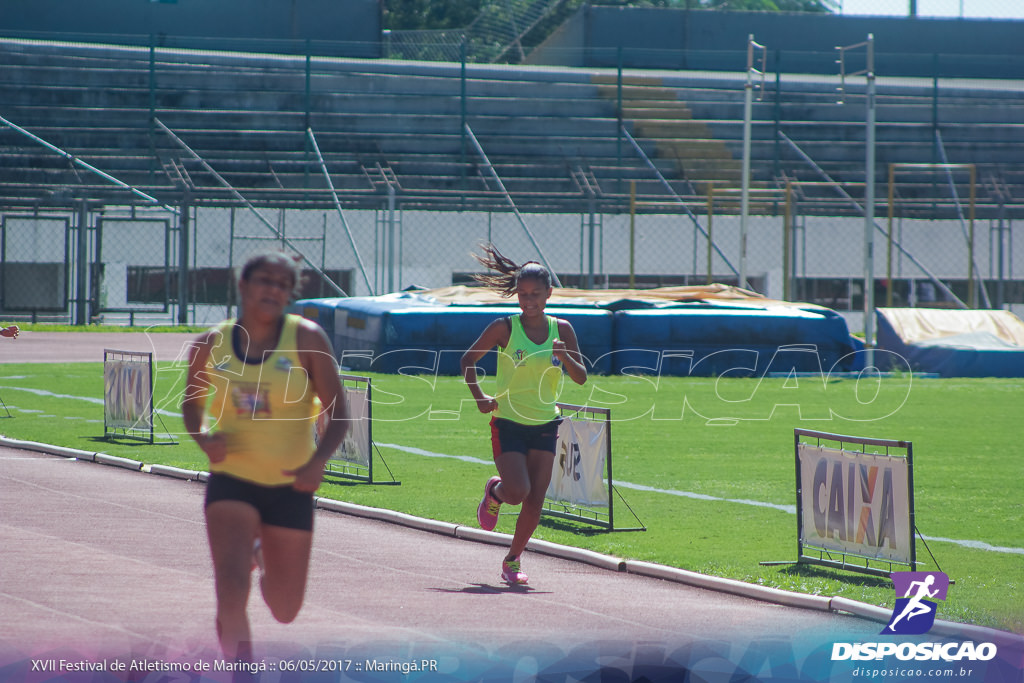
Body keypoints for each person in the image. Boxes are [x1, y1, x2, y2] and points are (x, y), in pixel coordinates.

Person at [182, 251, 348, 661]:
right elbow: (191, 405)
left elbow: (339, 412)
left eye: (281, 284)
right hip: (232, 480)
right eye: (264, 281)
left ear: (290, 295)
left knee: (285, 610)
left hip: (290, 485)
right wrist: (204, 437)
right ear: (242, 285)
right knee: (230, 591)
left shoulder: (308, 339)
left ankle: (263, 555)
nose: (272, 289)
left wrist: (317, 460)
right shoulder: (210, 344)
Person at [460, 244, 588, 585]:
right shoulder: (505, 327)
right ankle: (496, 492)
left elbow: (581, 377)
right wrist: (479, 397)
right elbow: (467, 361)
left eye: (535, 294)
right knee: (517, 491)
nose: (528, 300)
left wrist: (566, 355)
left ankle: (513, 560)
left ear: (549, 293)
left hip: (546, 422)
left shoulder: (563, 330)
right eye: (522, 294)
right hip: (508, 422)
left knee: (535, 500)